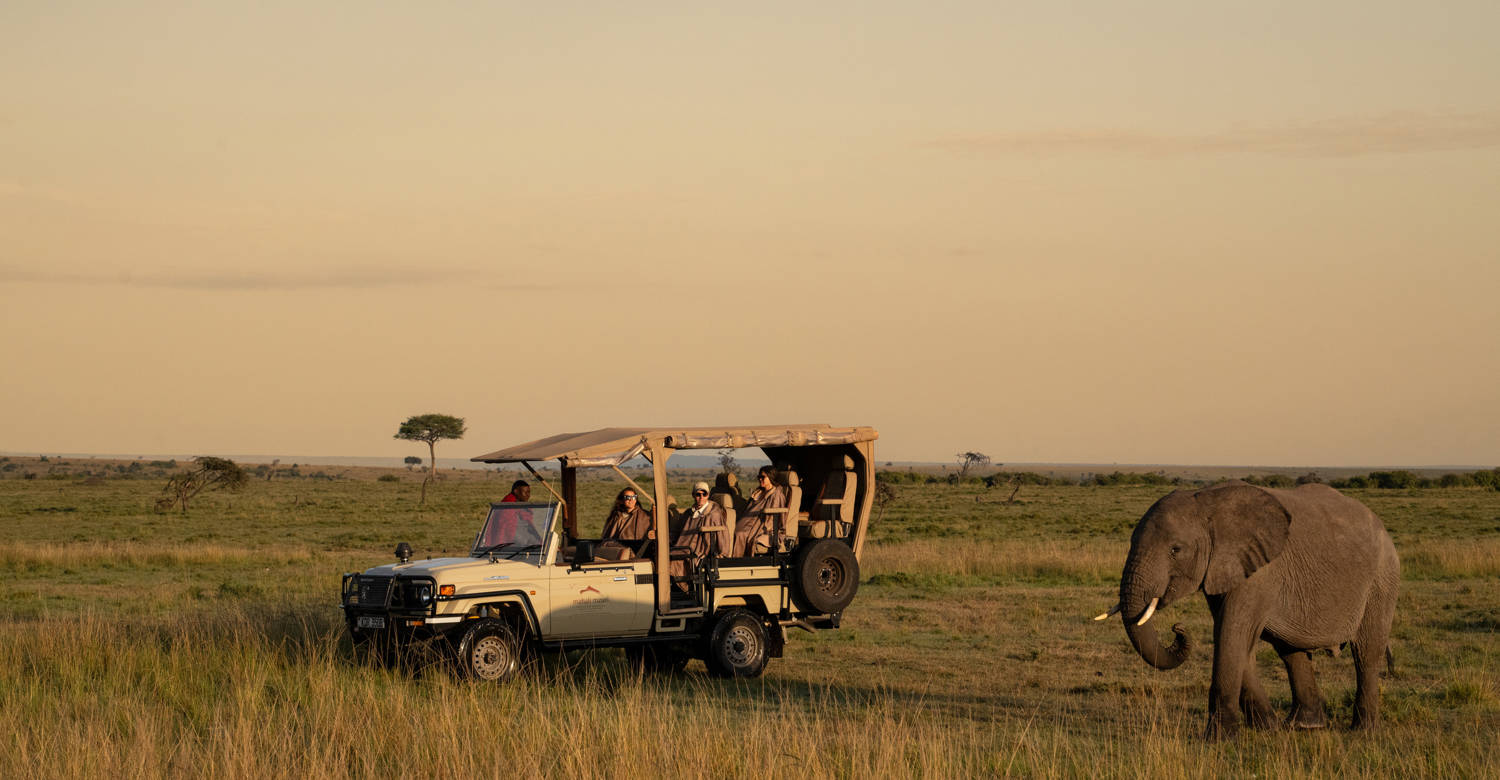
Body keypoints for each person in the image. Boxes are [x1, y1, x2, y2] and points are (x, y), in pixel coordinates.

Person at [670, 481, 731, 583]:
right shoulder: (689, 513)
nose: (701, 497)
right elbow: (679, 532)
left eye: (704, 494)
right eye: (698, 494)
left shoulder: (714, 514)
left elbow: (722, 536)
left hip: (698, 550)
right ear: (693, 495)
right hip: (683, 547)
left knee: (675, 561)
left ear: (708, 495)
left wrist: (721, 554)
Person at [734, 466, 788, 555]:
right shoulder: (758, 492)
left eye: (763, 477)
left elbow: (777, 517)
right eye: (759, 477)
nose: (760, 479)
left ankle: (737, 562)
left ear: (771, 477)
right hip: (748, 521)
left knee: (740, 534)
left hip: (760, 525)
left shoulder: (777, 495)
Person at [599, 488, 651, 556]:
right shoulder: (615, 516)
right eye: (627, 497)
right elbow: (607, 537)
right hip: (616, 551)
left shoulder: (644, 516)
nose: (631, 500)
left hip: (635, 552)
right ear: (622, 500)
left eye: (634, 497)